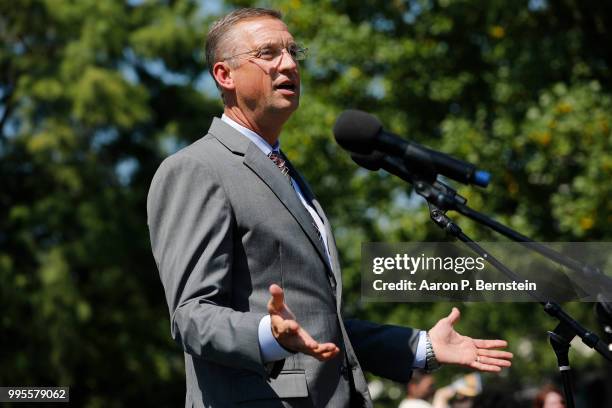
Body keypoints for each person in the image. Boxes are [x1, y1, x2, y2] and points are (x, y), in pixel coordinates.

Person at [147, 7, 513, 408]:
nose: (288, 63)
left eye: (292, 51)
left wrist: (419, 345)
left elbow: (319, 322)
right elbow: (191, 316)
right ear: (225, 75)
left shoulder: (286, 172)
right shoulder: (196, 168)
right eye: (268, 53)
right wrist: (267, 334)